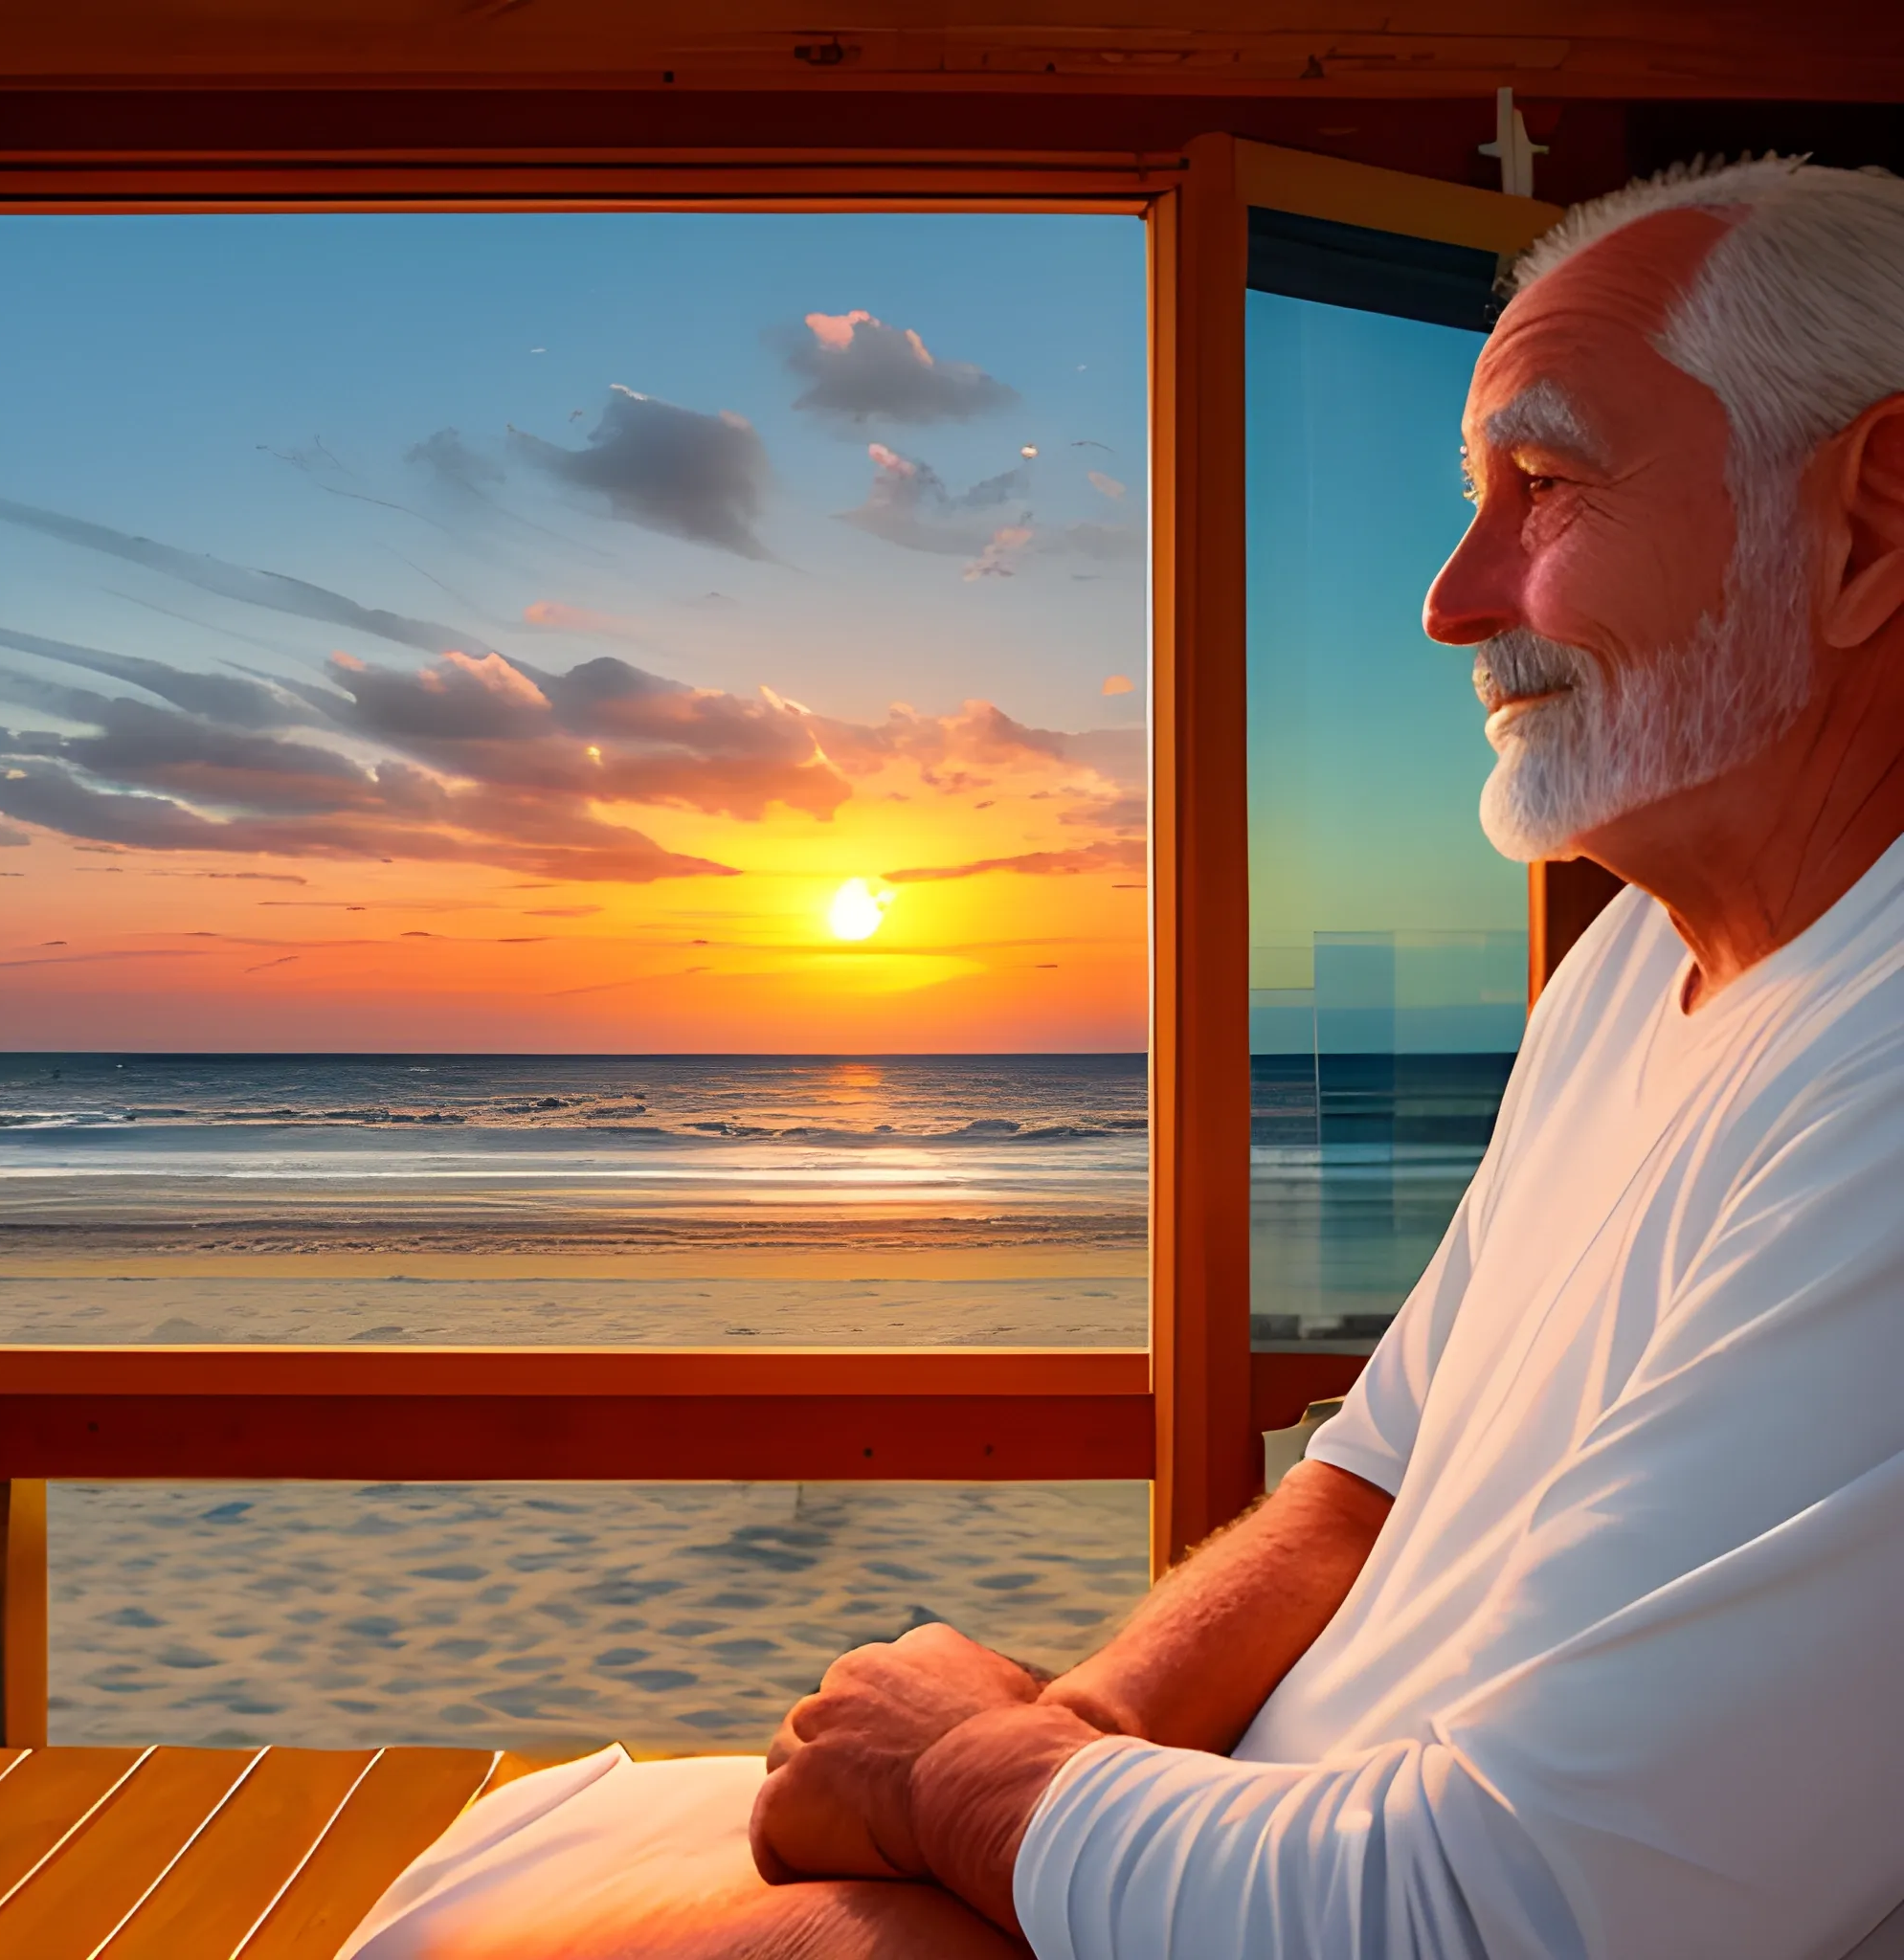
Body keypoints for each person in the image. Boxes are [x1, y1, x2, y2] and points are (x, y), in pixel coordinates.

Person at [341, 156, 1904, 1960]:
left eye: (1543, 486)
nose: (1453, 600)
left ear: (1871, 525)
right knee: (517, 1847)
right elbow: (1363, 1484)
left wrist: (967, 1784)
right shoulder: (1628, 971)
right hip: (1256, 1849)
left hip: (1346, 1911)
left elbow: (1505, 1920)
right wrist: (1073, 1733)